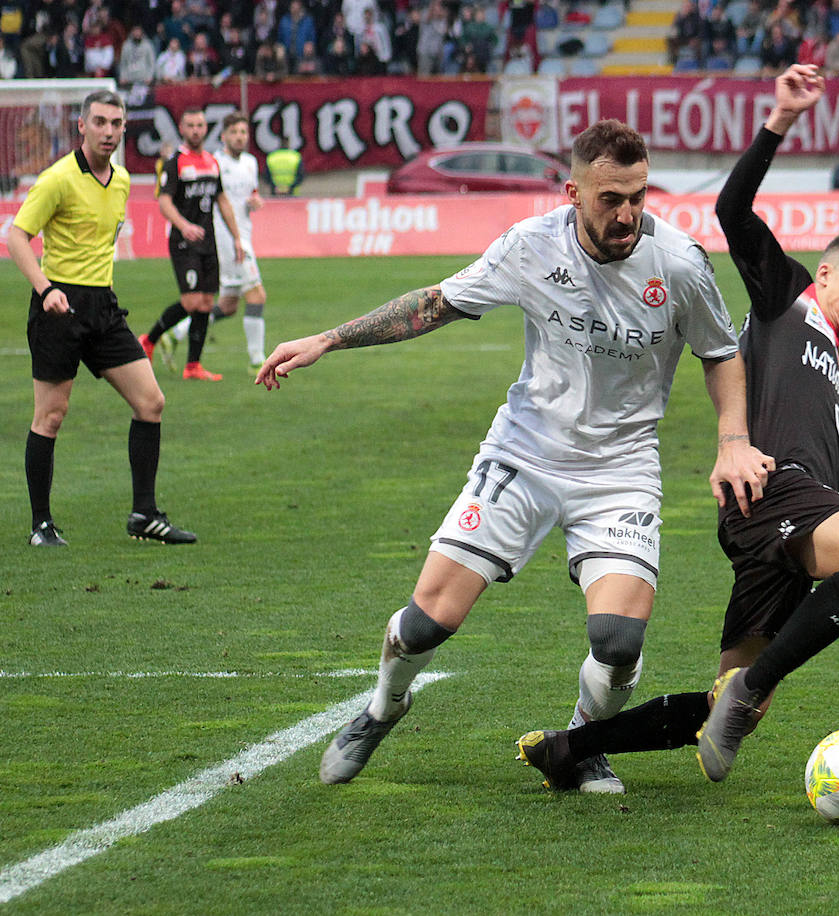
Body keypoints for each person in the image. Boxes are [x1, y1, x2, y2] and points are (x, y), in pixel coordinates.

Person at [254, 119, 772, 794]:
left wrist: (733, 441)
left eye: (638, 196)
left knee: (618, 643)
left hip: (620, 470)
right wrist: (330, 338)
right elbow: (437, 304)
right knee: (422, 626)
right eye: (610, 198)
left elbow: (721, 353)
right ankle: (383, 707)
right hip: (524, 453)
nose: (628, 213)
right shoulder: (531, 246)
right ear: (571, 193)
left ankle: (582, 746)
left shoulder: (678, 262)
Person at [515, 65, 839, 789]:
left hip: (776, 523)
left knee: (730, 704)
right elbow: (734, 209)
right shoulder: (788, 300)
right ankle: (751, 688)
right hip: (774, 492)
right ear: (824, 273)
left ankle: (570, 748)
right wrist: (781, 119)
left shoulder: (827, 356)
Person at [8, 90, 197, 547]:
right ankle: (41, 525)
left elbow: (99, 246)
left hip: (103, 308)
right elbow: (16, 237)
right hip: (58, 307)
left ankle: (144, 515)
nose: (109, 131)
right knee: (51, 415)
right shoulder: (57, 179)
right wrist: (46, 288)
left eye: (117, 123)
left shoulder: (125, 181)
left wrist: (105, 295)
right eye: (100, 122)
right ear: (82, 126)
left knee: (151, 402)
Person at [138, 107, 245, 381]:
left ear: (205, 129)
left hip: (209, 242)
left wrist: (236, 238)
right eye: (191, 125)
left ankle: (193, 366)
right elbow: (164, 202)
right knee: (191, 301)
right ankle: (149, 340)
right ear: (182, 129)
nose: (196, 130)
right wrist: (184, 226)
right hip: (184, 244)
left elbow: (222, 201)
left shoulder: (211, 161)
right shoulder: (175, 162)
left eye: (200, 125)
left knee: (207, 302)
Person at [164, 111, 270, 368]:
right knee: (257, 296)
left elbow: (250, 193)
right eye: (233, 132)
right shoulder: (213, 162)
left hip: (243, 235)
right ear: (222, 136)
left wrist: (255, 201)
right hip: (227, 242)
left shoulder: (250, 163)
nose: (239, 137)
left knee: (229, 305)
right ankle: (257, 360)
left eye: (243, 132)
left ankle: (176, 334)